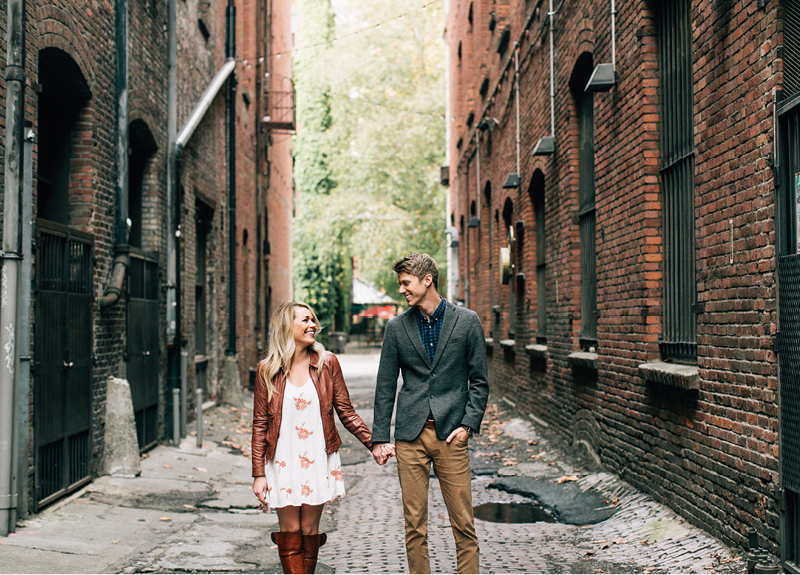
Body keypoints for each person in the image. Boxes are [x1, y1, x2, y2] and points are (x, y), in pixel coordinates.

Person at [251, 301, 390, 574]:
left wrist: (374, 443)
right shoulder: (267, 369)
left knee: (309, 530)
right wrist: (258, 473)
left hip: (317, 457)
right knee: (290, 530)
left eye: (313, 319)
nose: (312, 324)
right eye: (304, 320)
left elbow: (345, 411)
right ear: (286, 327)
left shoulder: (327, 363)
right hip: (282, 461)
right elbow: (259, 423)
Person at [372, 253, 489, 574]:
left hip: (452, 433)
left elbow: (479, 381)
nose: (402, 290)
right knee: (414, 525)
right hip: (410, 437)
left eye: (405, 283)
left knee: (464, 523)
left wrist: (468, 424)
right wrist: (379, 438)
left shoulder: (467, 321)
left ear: (427, 281)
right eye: (400, 284)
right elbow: (385, 385)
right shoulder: (397, 328)